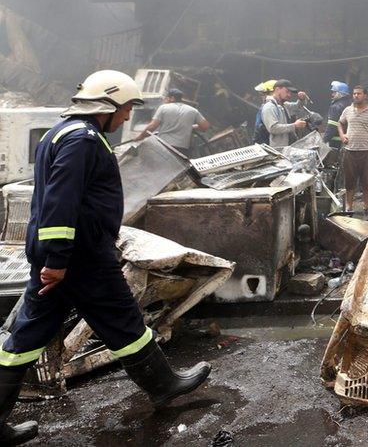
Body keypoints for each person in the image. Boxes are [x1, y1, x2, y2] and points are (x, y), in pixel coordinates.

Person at [0, 70, 211, 445]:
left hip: (67, 257)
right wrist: (59, 259)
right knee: (121, 317)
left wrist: (53, 259)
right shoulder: (82, 140)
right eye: (127, 108)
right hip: (80, 258)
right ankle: (164, 385)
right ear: (108, 105)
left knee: (27, 335)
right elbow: (60, 203)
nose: (129, 117)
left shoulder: (61, 133)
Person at [338, 86, 368, 213]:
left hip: (366, 151)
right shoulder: (347, 110)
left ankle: (366, 206)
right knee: (349, 181)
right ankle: (349, 206)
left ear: (365, 95)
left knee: (366, 181)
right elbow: (339, 123)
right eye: (354, 94)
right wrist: (342, 135)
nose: (356, 96)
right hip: (350, 151)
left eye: (359, 93)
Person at [133, 88, 209, 154]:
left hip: (164, 146)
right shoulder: (193, 110)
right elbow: (205, 127)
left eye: (166, 98)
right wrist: (190, 126)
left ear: (172, 98)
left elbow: (152, 126)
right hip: (182, 149)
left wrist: (140, 136)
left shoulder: (164, 108)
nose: (165, 100)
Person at [258, 79, 308, 148]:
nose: (289, 95)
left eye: (290, 93)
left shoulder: (283, 105)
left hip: (289, 147)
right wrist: (294, 126)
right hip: (280, 150)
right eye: (287, 91)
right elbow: (273, 128)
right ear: (277, 89)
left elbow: (298, 107)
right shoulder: (269, 107)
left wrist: (301, 99)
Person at [325, 81, 352, 151]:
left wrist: (324, 140)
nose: (332, 94)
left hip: (336, 143)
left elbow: (332, 126)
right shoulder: (351, 104)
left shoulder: (336, 107)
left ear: (340, 93)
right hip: (350, 141)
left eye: (334, 92)